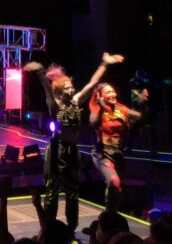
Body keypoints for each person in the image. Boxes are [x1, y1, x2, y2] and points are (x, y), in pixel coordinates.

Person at [25, 52, 124, 229]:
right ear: (59, 92)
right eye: (68, 88)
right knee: (52, 191)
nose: (72, 90)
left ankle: (71, 228)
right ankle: (49, 228)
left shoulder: (76, 101)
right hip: (56, 150)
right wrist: (39, 71)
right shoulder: (54, 105)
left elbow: (92, 84)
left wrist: (104, 63)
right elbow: (46, 88)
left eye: (72, 87)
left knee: (73, 192)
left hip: (72, 150)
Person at [90, 83, 142, 210]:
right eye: (108, 92)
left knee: (117, 188)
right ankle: (108, 217)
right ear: (100, 96)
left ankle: (109, 215)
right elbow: (93, 123)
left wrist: (139, 102)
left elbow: (139, 116)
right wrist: (102, 108)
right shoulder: (97, 109)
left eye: (113, 91)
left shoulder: (120, 108)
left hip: (118, 153)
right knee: (114, 182)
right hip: (102, 152)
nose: (112, 94)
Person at [128, 69, 156, 155]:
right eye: (139, 74)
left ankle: (153, 149)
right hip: (136, 109)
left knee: (150, 128)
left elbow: (149, 92)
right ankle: (129, 147)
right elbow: (135, 90)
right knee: (133, 129)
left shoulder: (147, 82)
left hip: (145, 109)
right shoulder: (133, 81)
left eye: (142, 74)